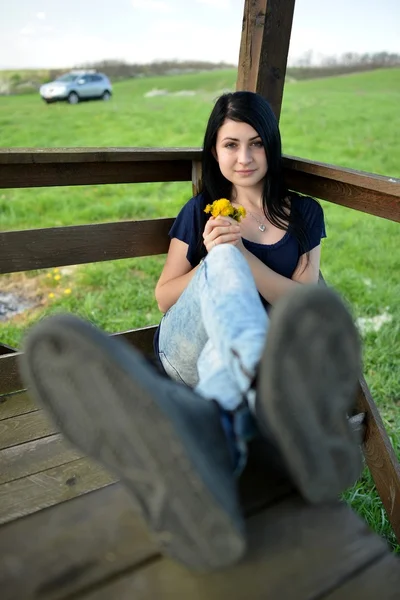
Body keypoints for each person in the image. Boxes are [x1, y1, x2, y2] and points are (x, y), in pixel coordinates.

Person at [19, 92, 362, 573]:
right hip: (187, 348)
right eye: (230, 145)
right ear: (215, 151)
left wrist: (244, 257)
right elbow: (166, 295)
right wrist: (223, 258)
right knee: (218, 256)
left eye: (256, 144)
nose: (243, 158)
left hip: (224, 368)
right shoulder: (202, 210)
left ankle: (217, 425)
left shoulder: (303, 214)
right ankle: (268, 401)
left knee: (230, 258)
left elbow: (306, 304)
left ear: (271, 148)